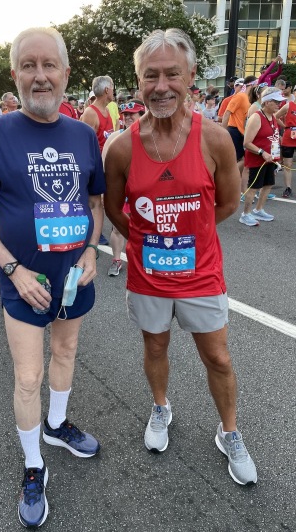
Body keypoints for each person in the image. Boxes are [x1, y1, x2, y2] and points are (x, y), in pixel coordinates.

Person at [0, 26, 105, 528]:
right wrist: (13, 269)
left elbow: (96, 202)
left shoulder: (83, 134)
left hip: (73, 279)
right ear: (15, 74)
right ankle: (33, 464)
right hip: (24, 283)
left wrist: (89, 249)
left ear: (66, 74)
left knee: (65, 353)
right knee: (27, 377)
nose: (39, 76)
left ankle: (58, 425)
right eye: (28, 65)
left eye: (49, 66)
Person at [104, 28, 257, 486]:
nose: (162, 85)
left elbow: (228, 203)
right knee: (155, 344)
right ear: (138, 82)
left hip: (202, 275)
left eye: (173, 73)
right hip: (149, 276)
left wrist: (191, 236)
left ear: (191, 75)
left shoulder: (214, 139)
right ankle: (160, 407)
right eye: (151, 76)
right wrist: (147, 241)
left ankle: (229, 432)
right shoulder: (123, 146)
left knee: (219, 358)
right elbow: (114, 209)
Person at [102, 100, 145, 276]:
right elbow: (104, 164)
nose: (127, 117)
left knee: (145, 228)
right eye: (125, 114)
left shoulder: (151, 137)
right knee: (118, 228)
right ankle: (117, 259)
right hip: (121, 190)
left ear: (142, 115)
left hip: (144, 192)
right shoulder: (115, 137)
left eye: (131, 114)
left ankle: (143, 260)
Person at [239, 87, 284, 226]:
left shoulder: (272, 117)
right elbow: (246, 143)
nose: (279, 104)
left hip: (270, 159)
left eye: (279, 101)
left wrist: (276, 155)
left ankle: (258, 210)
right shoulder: (256, 117)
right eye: (276, 102)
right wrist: (262, 153)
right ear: (266, 102)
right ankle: (245, 214)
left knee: (268, 184)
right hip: (257, 159)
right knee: (254, 187)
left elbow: (273, 137)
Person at [81, 75, 115, 246]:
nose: (114, 91)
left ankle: (103, 229)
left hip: (106, 165)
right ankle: (94, 233)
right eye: (113, 87)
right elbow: (82, 144)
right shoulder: (90, 113)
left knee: (106, 201)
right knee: (94, 202)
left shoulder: (108, 111)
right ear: (107, 90)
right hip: (94, 166)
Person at [274, 93, 296, 198]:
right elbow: (276, 116)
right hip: (289, 138)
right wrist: (285, 126)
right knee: (288, 164)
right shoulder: (289, 105)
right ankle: (288, 188)